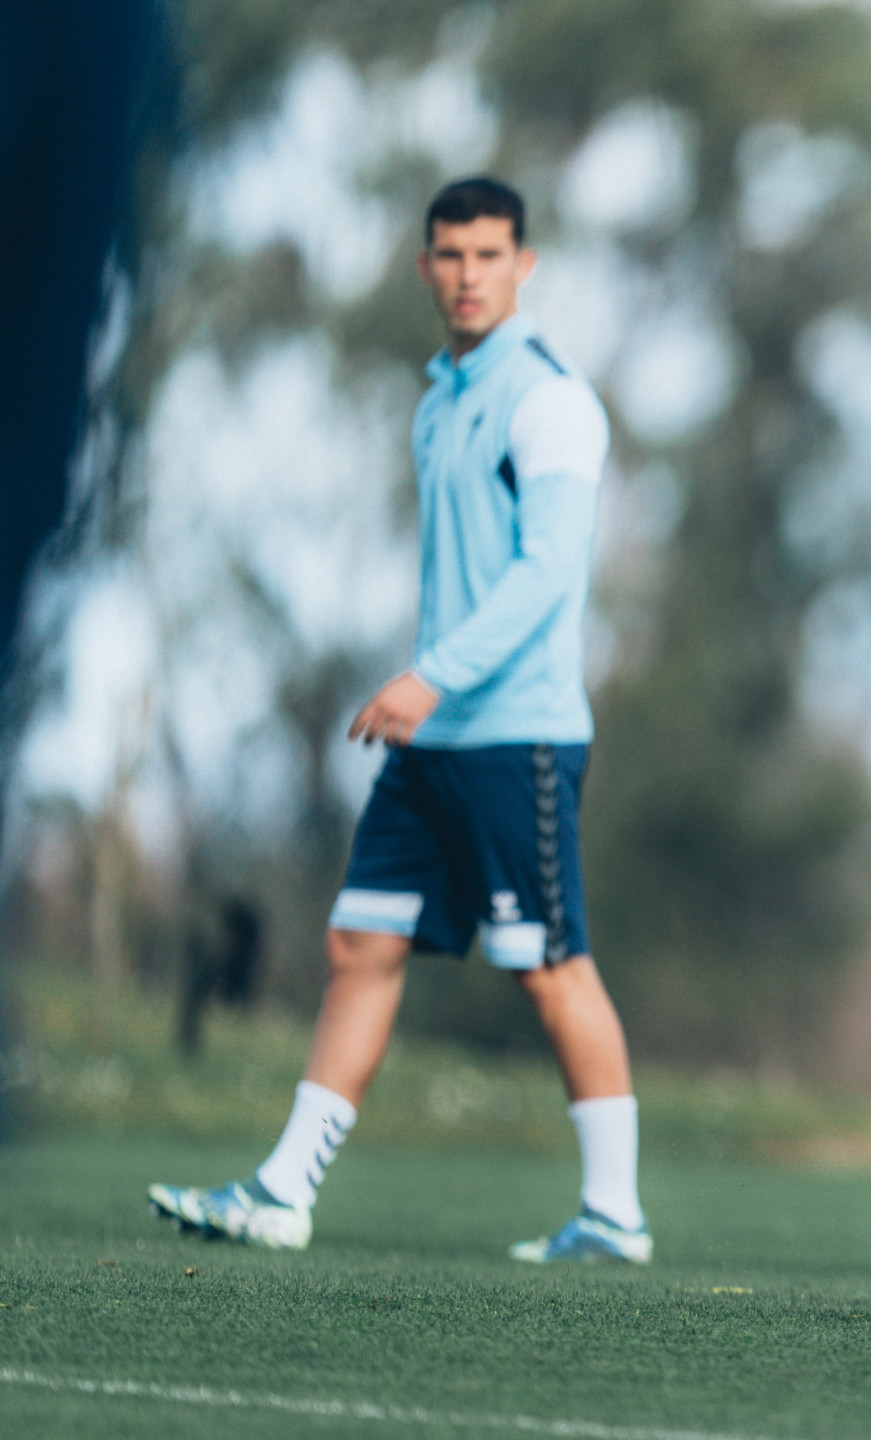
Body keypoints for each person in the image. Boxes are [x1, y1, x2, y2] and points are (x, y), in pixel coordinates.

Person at [148, 178, 649, 1264]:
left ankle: (615, 1215)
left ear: (526, 265)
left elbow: (548, 571)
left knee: (550, 968)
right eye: (450, 255)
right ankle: (282, 1191)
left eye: (488, 254)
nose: (468, 274)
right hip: (433, 744)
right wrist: (430, 695)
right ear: (425, 267)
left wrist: (432, 675)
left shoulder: (549, 400)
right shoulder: (440, 401)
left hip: (517, 736)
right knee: (358, 942)